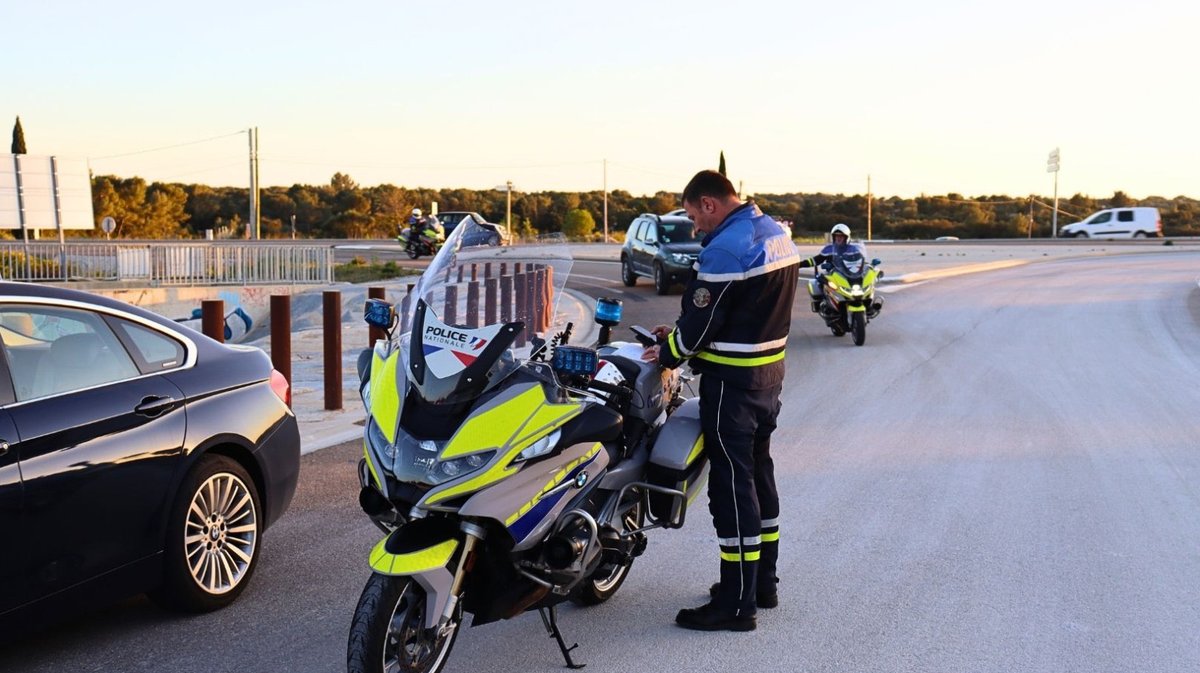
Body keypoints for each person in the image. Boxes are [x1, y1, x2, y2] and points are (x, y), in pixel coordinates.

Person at [641, 169, 799, 632]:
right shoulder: (774, 232)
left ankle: (735, 603)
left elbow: (701, 325)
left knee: (730, 491)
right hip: (767, 378)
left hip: (731, 385)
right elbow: (741, 312)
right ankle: (761, 583)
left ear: (709, 203)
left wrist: (668, 352)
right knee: (759, 478)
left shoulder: (728, 248)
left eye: (693, 216)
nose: (694, 227)